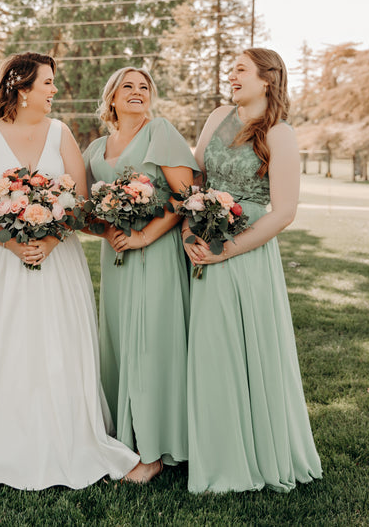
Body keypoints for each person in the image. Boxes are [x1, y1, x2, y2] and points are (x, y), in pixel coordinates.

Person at [0, 52, 139, 490]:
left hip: (56, 259)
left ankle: (61, 431)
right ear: (22, 87)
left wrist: (50, 240)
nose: (54, 90)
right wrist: (12, 242)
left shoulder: (61, 133)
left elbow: (78, 198)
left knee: (52, 343)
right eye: (48, 83)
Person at [183, 48, 322, 492]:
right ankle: (215, 447)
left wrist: (228, 250)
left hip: (246, 253)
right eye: (232, 69)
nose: (232, 75)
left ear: (267, 79)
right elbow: (196, 179)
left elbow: (284, 213)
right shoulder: (219, 115)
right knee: (209, 349)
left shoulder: (280, 134)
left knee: (245, 348)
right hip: (205, 239)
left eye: (241, 69)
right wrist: (192, 229)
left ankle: (251, 454)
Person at [82, 67, 198, 483]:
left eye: (143, 87)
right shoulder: (97, 147)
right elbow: (82, 205)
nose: (136, 92)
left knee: (151, 341)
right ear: (111, 98)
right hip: (116, 257)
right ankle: (124, 435)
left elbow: (186, 196)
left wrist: (145, 236)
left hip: (155, 252)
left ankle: (154, 450)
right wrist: (107, 228)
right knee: (119, 339)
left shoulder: (161, 131)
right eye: (127, 87)